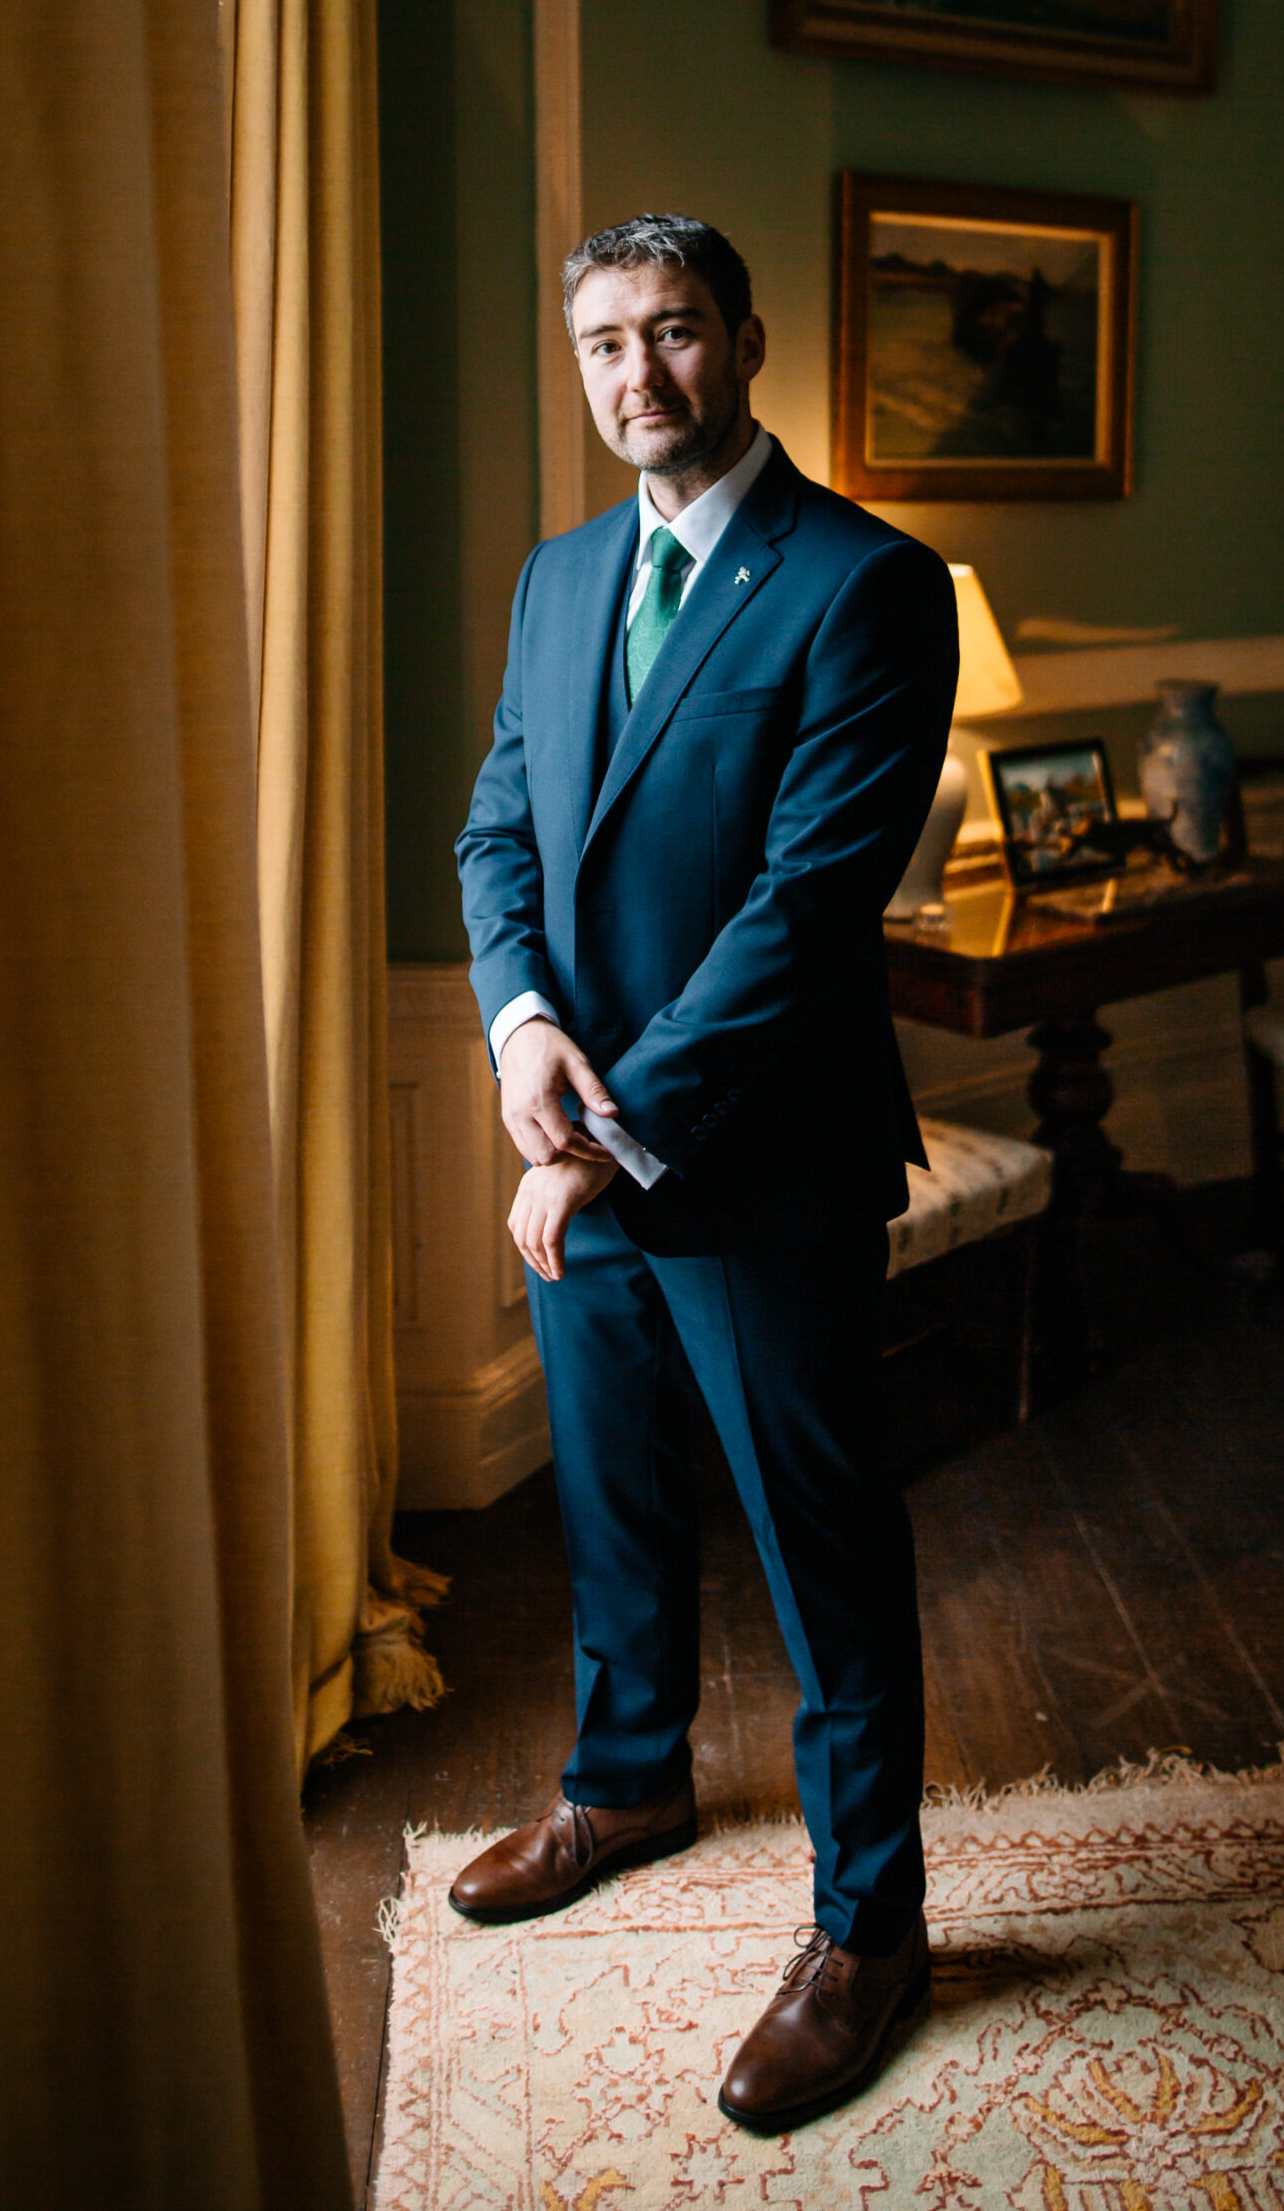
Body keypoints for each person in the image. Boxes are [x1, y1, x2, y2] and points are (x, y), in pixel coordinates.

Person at [451, 212, 959, 2134]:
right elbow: (504, 826)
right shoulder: (557, 576)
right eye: (601, 345)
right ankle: (628, 1780)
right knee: (612, 1503)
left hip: (759, 1170)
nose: (637, 375)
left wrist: (607, 1141)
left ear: (746, 342)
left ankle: (872, 1929)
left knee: (824, 1551)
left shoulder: (867, 584)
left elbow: (802, 916)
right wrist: (520, 1038)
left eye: (672, 334)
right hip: (567, 1135)